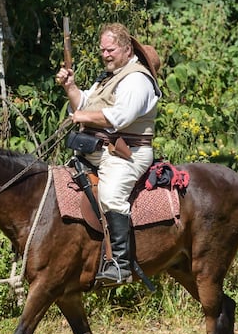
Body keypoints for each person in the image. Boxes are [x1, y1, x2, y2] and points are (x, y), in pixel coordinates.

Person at [55, 22, 161, 286]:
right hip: (97, 152)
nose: (105, 55)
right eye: (102, 50)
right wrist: (70, 88)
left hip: (127, 155)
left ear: (127, 49)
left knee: (111, 195)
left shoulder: (138, 79)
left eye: (110, 49)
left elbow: (119, 118)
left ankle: (120, 266)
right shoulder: (108, 77)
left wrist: (81, 116)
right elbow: (84, 102)